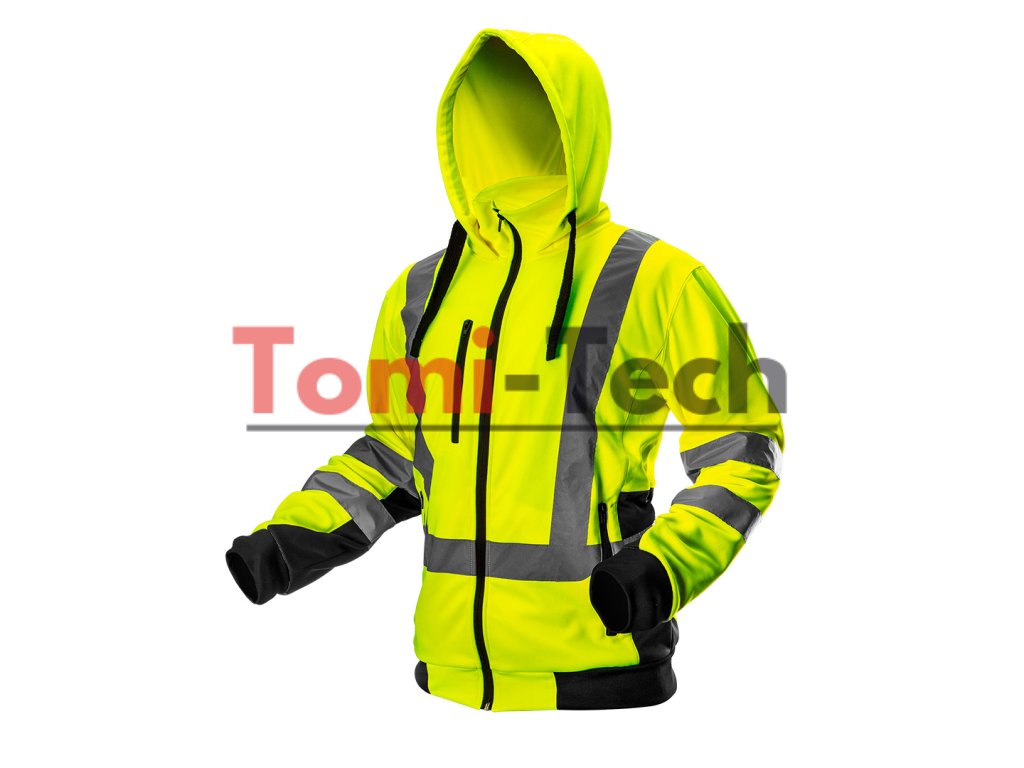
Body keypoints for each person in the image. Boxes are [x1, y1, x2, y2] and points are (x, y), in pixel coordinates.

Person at [225, 26, 784, 711]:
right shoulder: (420, 293)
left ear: (576, 128)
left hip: (604, 666)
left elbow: (744, 450)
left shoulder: (657, 279)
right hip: (448, 675)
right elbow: (396, 456)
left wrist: (662, 570)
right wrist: (289, 541)